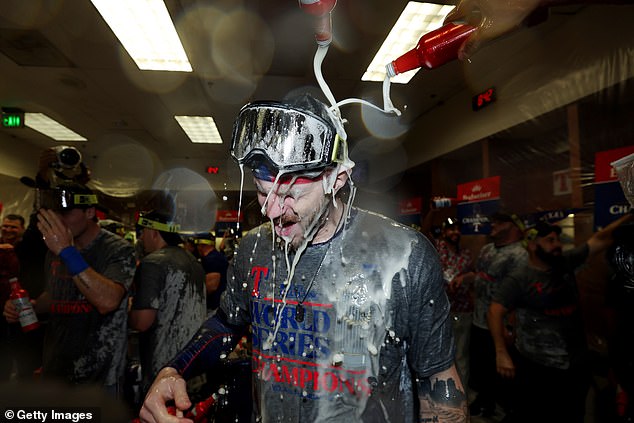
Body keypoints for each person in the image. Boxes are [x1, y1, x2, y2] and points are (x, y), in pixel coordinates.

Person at [138, 94, 467, 423]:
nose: (271, 210)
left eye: (288, 195)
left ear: (335, 180)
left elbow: (437, 376)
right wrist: (174, 368)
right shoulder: (254, 248)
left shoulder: (403, 255)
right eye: (263, 191)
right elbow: (227, 322)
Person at [488, 215, 634, 423]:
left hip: (575, 364)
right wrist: (501, 353)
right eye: (550, 240)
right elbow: (494, 311)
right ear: (531, 245)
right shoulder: (519, 278)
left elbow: (600, 239)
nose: (557, 245)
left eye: (558, 240)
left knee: (573, 414)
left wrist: (629, 216)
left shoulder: (564, 262)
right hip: (539, 368)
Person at [2, 182, 136, 396]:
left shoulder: (117, 249)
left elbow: (108, 301)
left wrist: (66, 251)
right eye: (54, 214)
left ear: (90, 211)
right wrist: (30, 308)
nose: (58, 221)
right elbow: (56, 293)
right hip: (57, 367)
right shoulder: (55, 248)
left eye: (66, 213)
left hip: (99, 374)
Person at [129, 210, 207, 395]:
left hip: (163, 368)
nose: (140, 237)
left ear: (154, 232)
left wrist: (126, 310)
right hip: (193, 362)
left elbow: (142, 321)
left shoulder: (152, 263)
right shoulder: (194, 262)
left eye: (143, 231)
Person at [468, 212, 527, 417]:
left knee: (502, 371)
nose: (493, 225)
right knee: (482, 366)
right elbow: (480, 276)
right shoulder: (487, 249)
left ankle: (507, 409)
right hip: (479, 320)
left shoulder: (519, 255)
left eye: (500, 222)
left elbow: (519, 296)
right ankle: (485, 400)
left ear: (514, 227)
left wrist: (510, 326)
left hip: (500, 325)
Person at [423, 214, 475, 385]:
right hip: (441, 313)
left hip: (463, 311)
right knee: (440, 356)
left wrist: (467, 276)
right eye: (451, 229)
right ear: (444, 232)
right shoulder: (438, 248)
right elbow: (425, 232)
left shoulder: (466, 254)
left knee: (461, 357)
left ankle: (463, 398)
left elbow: (475, 275)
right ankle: (440, 395)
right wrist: (431, 211)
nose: (455, 232)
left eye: (457, 229)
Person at [0, 214, 25, 380]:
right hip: (1, 310)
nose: (8, 229)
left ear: (22, 229)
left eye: (13, 227)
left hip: (24, 310)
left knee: (23, 354)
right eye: (5, 226)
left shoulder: (27, 250)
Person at [193, 232, 228, 315]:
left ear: (201, 245)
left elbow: (211, 286)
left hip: (214, 308)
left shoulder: (212, 260)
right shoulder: (216, 257)